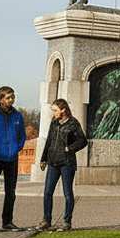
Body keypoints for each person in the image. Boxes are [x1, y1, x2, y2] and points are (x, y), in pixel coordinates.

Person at [38, 99, 87, 231]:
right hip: (53, 162)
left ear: (63, 110)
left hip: (67, 163)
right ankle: (46, 220)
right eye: (52, 110)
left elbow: (83, 141)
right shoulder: (53, 123)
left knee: (67, 192)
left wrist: (69, 149)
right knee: (48, 192)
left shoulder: (73, 123)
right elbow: (48, 141)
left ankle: (67, 221)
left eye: (55, 110)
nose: (53, 113)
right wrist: (43, 159)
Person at [0, 86, 26, 232]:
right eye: (8, 97)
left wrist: (17, 147)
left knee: (11, 192)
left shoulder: (17, 116)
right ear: (1, 98)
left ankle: (7, 221)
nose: (11, 100)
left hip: (12, 159)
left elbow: (22, 135)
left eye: (13, 97)